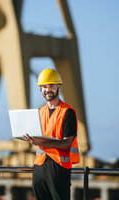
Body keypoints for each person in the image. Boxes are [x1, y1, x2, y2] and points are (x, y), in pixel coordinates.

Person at [22, 68, 80, 200]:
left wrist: (40, 142)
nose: (47, 90)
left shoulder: (68, 112)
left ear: (58, 86)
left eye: (51, 86)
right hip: (39, 168)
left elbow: (66, 144)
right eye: (44, 86)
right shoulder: (39, 112)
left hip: (58, 168)